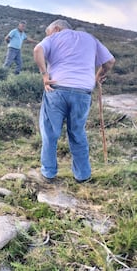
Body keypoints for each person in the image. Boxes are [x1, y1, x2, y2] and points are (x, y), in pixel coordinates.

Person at [33, 19, 115, 183]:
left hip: (57, 89)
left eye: (47, 33)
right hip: (82, 92)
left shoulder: (54, 37)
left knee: (50, 132)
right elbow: (110, 62)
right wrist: (97, 77)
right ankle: (83, 176)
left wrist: (44, 74)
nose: (47, 36)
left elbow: (37, 50)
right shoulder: (90, 38)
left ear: (56, 28)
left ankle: (48, 174)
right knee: (77, 133)